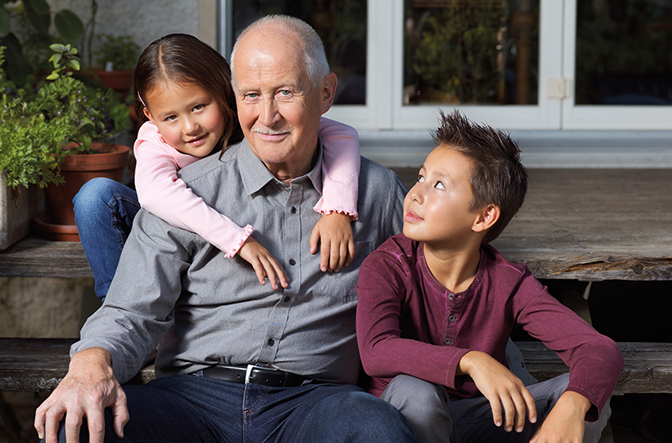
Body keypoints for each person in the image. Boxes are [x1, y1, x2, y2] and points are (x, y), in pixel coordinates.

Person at [35, 15, 418, 443]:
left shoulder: (377, 193)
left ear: (326, 93)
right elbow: (131, 311)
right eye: (251, 95)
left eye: (285, 93)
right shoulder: (183, 196)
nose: (267, 116)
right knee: (88, 427)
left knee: (377, 428)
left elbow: (433, 279)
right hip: (192, 398)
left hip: (317, 403)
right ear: (235, 98)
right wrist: (90, 364)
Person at [356, 110, 624, 443]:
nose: (416, 194)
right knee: (419, 393)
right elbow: (376, 350)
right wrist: (470, 360)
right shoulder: (387, 265)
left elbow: (599, 349)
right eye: (421, 176)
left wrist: (572, 405)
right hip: (406, 420)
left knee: (585, 394)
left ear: (484, 217)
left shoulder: (508, 282)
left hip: (485, 419)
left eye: (438, 184)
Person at [74, 33, 362, 300]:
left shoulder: (249, 120)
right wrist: (237, 240)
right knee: (94, 196)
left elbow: (341, 133)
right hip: (169, 228)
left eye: (199, 107)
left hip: (239, 218)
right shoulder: (154, 139)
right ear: (150, 116)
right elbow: (152, 194)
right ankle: (121, 309)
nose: (190, 127)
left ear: (225, 93)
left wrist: (337, 209)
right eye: (171, 117)